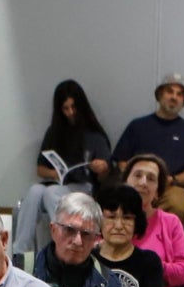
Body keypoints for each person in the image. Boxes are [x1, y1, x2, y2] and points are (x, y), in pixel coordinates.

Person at [16, 79, 113, 253]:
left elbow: (106, 171)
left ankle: (64, 241)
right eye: (65, 108)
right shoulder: (53, 132)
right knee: (34, 191)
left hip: (84, 187)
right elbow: (40, 168)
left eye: (73, 108)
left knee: (50, 193)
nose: (70, 113)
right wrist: (56, 173)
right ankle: (20, 250)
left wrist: (101, 167)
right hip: (58, 183)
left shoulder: (94, 134)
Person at [112, 73, 184, 218]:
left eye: (179, 94)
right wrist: (135, 179)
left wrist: (172, 180)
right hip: (136, 186)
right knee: (117, 201)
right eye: (170, 91)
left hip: (169, 188)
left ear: (183, 101)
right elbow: (122, 161)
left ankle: (163, 238)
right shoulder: (137, 126)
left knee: (177, 204)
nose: (174, 97)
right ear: (160, 95)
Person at [120, 155, 184, 287]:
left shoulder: (170, 223)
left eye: (151, 179)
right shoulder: (108, 219)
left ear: (157, 192)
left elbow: (183, 272)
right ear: (125, 182)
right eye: (137, 175)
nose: (143, 182)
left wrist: (152, 265)